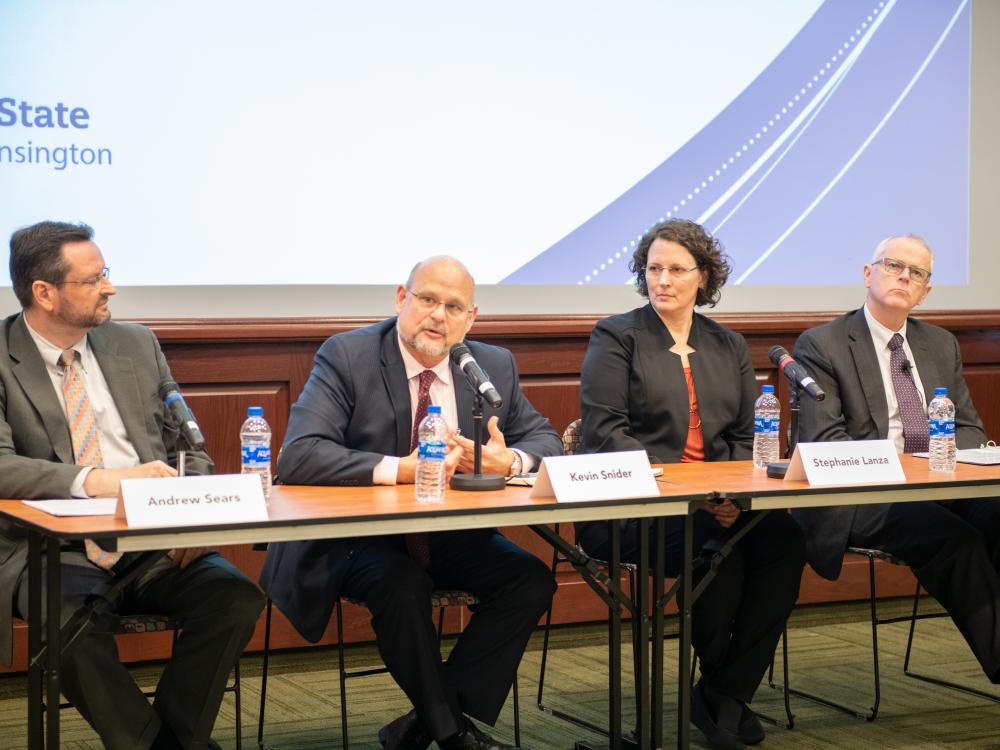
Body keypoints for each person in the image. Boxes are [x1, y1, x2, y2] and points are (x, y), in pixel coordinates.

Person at [260, 256, 560, 750]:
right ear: (401, 298)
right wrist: (404, 468)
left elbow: (545, 439)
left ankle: (423, 721)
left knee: (528, 580)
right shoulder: (349, 355)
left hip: (445, 536)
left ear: (471, 319)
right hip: (355, 540)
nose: (438, 315)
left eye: (453, 306)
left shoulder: (487, 368)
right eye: (427, 300)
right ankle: (451, 734)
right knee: (402, 585)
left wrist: (507, 461)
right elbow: (300, 454)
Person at [0, 221, 264, 750]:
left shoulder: (135, 344)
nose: (110, 288)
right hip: (53, 548)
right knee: (68, 624)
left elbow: (189, 445)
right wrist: (99, 481)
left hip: (151, 538)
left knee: (234, 597)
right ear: (44, 293)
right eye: (94, 279)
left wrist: (193, 517)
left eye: (108, 274)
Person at [576, 219, 805, 750]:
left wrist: (731, 495)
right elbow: (604, 430)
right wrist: (691, 494)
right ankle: (723, 699)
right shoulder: (617, 336)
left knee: (784, 545)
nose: (663, 280)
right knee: (715, 554)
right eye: (653, 269)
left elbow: (749, 437)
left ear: (703, 277)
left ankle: (722, 693)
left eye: (676, 270)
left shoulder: (727, 344)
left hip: (720, 503)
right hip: (635, 507)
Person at [792, 233, 1000, 684]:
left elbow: (969, 431)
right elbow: (827, 441)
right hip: (863, 495)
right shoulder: (823, 344)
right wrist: (909, 461)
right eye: (892, 265)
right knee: (953, 542)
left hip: (935, 485)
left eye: (917, 272)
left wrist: (928, 465)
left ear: (925, 292)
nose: (904, 276)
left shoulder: (941, 344)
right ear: (868, 274)